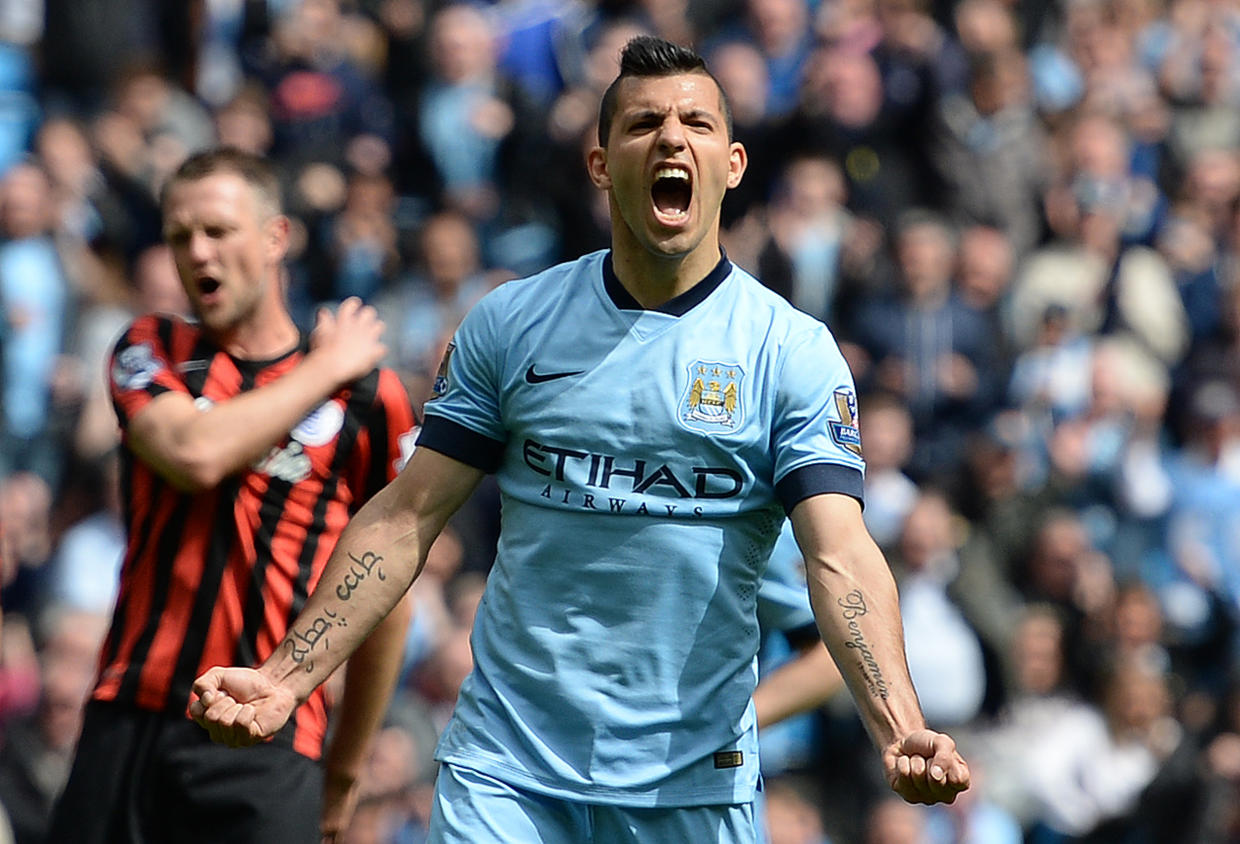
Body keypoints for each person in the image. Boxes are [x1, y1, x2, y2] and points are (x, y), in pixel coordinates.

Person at [192, 37, 971, 843]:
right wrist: (285, 678)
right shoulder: (511, 322)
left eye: (697, 123)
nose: (672, 139)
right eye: (644, 125)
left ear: (733, 164)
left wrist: (897, 726)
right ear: (600, 165)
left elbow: (840, 556)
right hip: (507, 771)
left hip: (692, 789)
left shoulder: (790, 351)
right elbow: (405, 518)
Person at [46, 148, 418, 843]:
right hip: (131, 716)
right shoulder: (151, 346)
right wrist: (325, 367)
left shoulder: (371, 401)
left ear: (276, 237)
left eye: (218, 230)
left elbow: (387, 598)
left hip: (268, 738)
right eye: (181, 234)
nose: (198, 251)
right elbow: (195, 453)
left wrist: (344, 771)